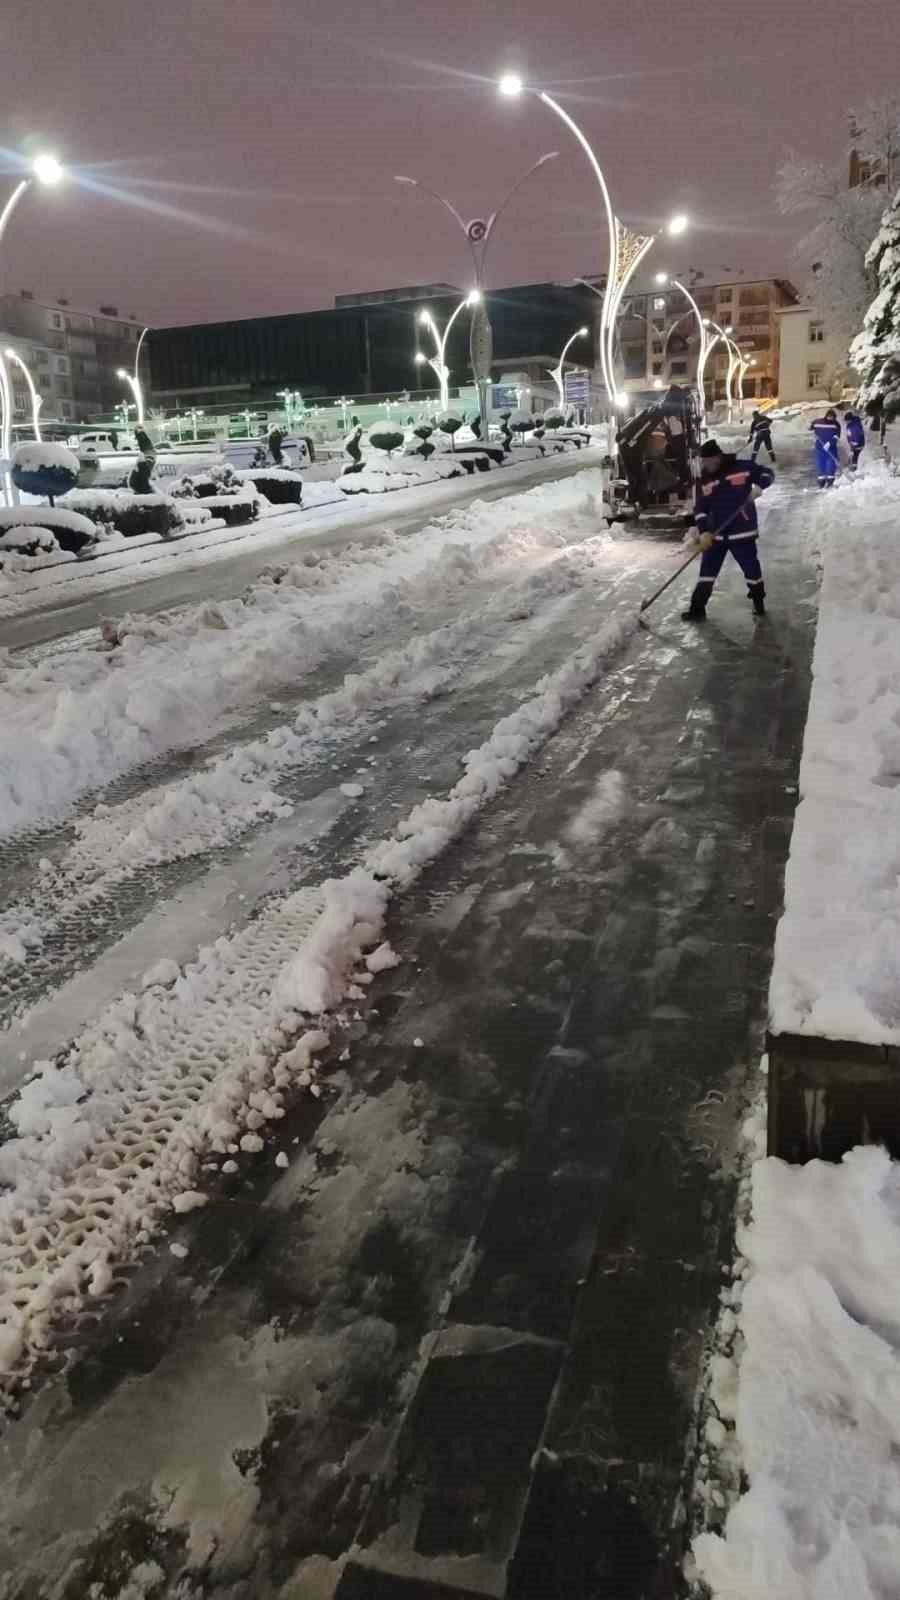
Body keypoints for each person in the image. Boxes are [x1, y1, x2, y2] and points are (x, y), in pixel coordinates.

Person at [682, 439, 774, 622]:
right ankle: (697, 609)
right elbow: (700, 508)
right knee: (707, 573)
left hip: (742, 531)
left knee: (751, 570)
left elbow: (768, 473)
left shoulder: (742, 467)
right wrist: (704, 531)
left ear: (717, 457)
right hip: (715, 534)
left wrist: (759, 487)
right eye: (703, 461)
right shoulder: (705, 480)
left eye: (707, 461)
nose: (705, 465)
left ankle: (758, 603)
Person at [811, 408, 841, 487]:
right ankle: (821, 484)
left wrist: (829, 443)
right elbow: (811, 427)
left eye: (833, 417)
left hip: (831, 450)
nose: (831, 419)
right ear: (826, 416)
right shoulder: (817, 422)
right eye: (830, 417)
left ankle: (830, 484)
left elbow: (837, 436)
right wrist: (809, 427)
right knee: (821, 467)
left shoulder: (836, 424)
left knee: (831, 467)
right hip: (820, 449)